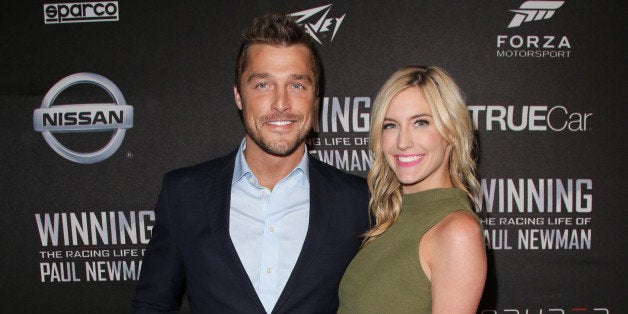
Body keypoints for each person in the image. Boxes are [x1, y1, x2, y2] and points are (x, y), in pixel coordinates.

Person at [132, 13, 370, 313]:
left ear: (315, 98)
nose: (281, 103)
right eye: (262, 85)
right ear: (238, 96)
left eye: (297, 86)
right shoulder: (183, 194)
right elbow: (152, 304)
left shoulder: (359, 201)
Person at [338, 65, 487, 313]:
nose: (403, 142)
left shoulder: (458, 232)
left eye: (421, 123)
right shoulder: (392, 216)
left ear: (450, 132)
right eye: (390, 125)